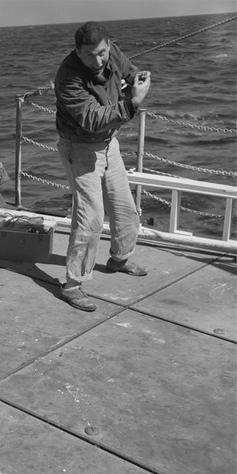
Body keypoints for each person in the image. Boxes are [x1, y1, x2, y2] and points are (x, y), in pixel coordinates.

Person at [55, 21, 151, 312]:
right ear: (77, 51)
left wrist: (138, 77)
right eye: (89, 55)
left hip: (109, 144)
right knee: (91, 217)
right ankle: (72, 284)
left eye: (102, 53)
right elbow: (93, 118)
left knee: (125, 208)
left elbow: (128, 69)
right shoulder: (68, 77)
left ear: (109, 45)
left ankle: (119, 258)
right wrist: (133, 102)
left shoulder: (112, 53)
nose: (98, 61)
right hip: (81, 149)